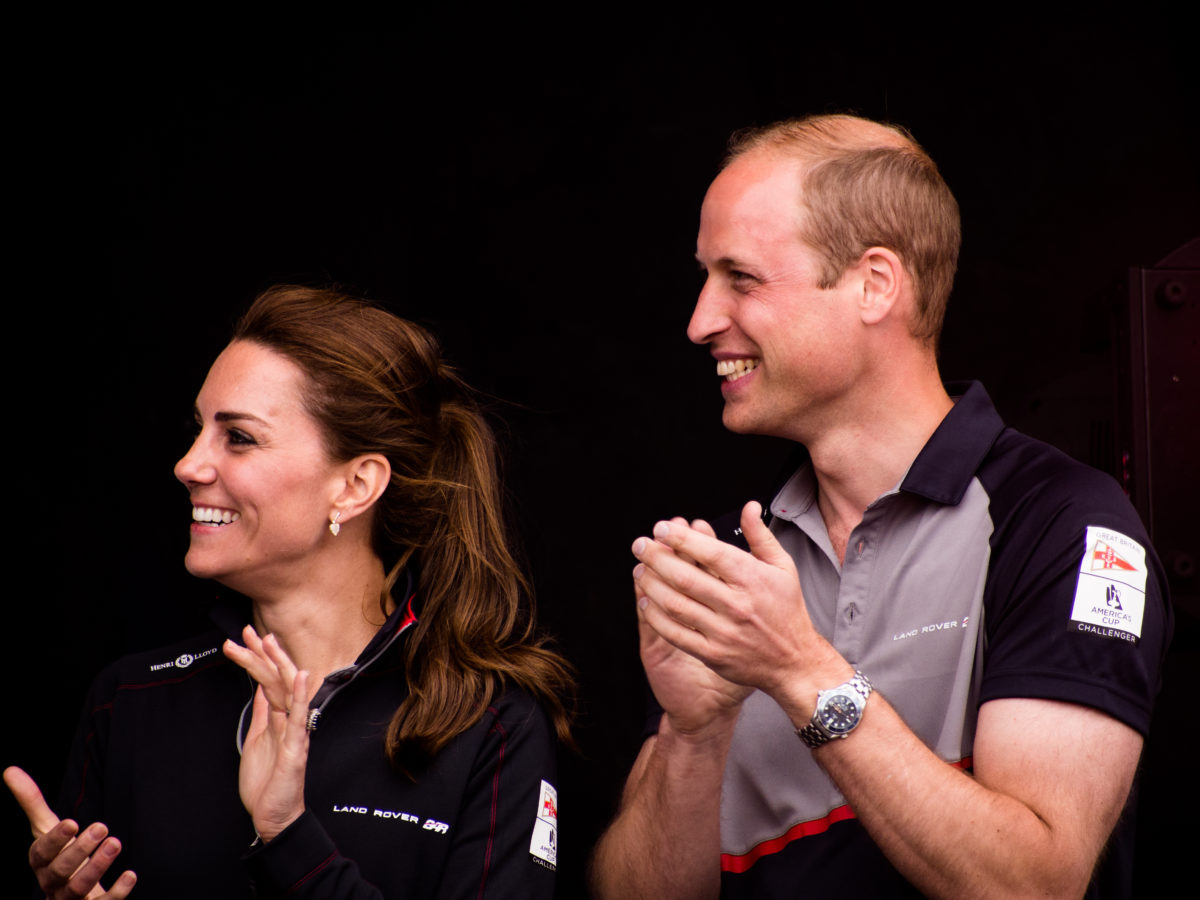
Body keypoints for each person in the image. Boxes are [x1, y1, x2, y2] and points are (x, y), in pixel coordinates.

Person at [589, 114, 1171, 899]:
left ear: (874, 284)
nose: (700, 322)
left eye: (742, 278)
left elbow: (1034, 885)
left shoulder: (1062, 523)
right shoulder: (740, 563)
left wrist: (797, 668)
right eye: (705, 278)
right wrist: (694, 736)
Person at [6, 285, 572, 898]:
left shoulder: (488, 723)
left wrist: (287, 833)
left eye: (239, 437)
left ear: (355, 486)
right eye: (199, 430)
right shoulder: (131, 699)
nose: (188, 465)